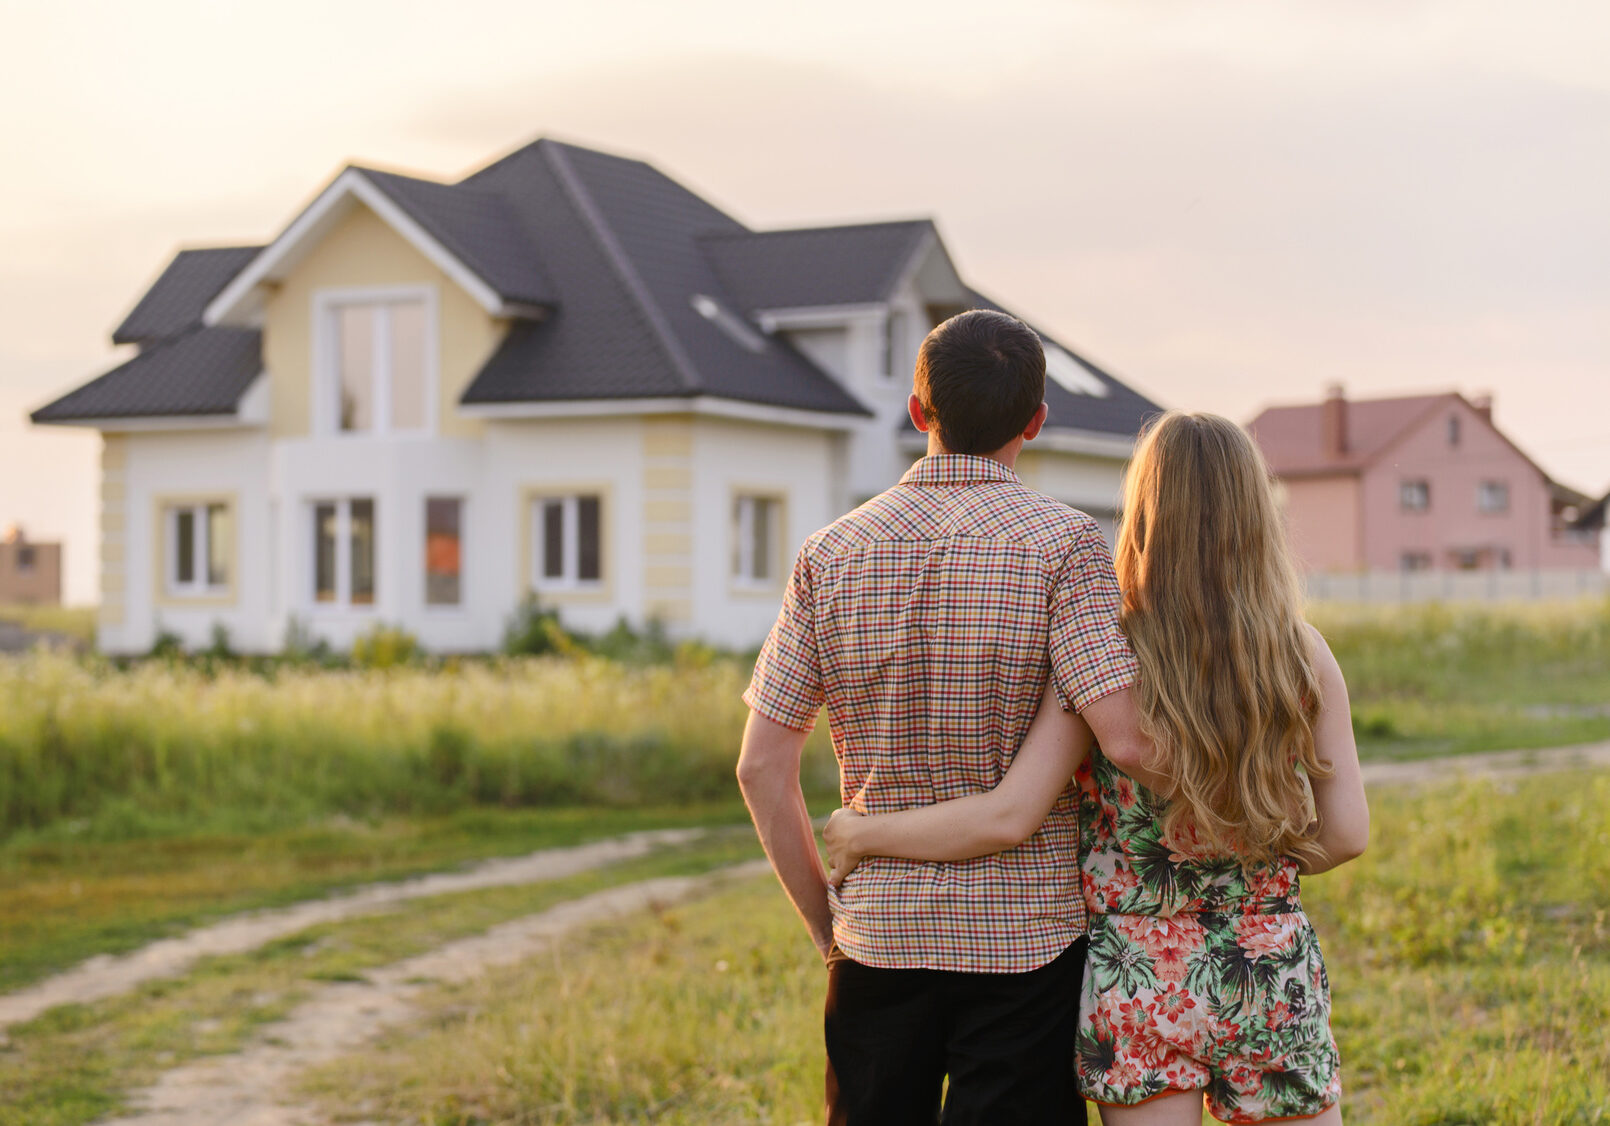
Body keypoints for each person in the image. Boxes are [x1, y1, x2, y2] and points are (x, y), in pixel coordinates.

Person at [822, 411, 1370, 1125]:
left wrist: (864, 834)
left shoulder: (1101, 658)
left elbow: (1007, 813)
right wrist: (1255, 869)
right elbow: (1349, 833)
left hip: (1139, 975)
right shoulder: (1302, 654)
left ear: (1143, 513)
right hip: (1266, 963)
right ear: (1256, 515)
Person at [738, 309, 1157, 1125]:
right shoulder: (1066, 546)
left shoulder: (829, 552)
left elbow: (760, 767)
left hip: (876, 937)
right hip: (1025, 942)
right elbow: (1128, 738)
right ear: (1036, 421)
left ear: (918, 411)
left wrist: (831, 926)